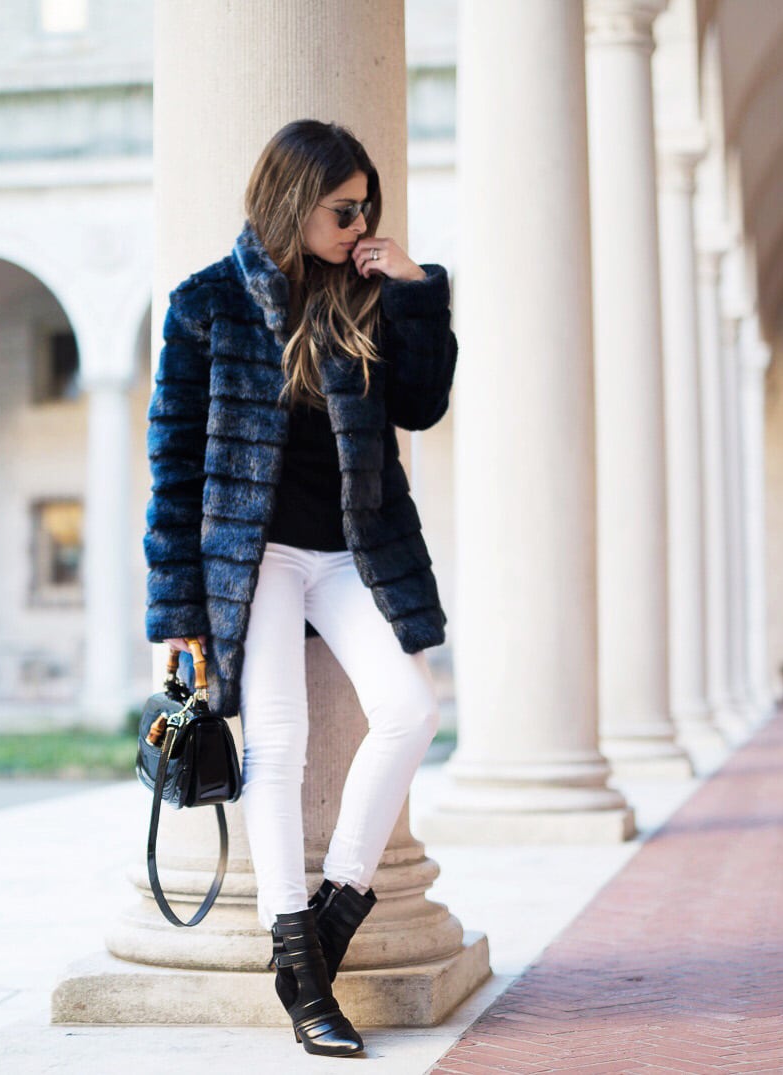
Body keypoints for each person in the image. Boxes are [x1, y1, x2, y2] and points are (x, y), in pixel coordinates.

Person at [141, 119, 458, 1058]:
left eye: (369, 207)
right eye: (344, 208)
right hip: (258, 557)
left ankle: (332, 917)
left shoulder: (363, 294)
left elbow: (423, 404)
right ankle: (296, 955)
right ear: (293, 201)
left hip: (350, 550)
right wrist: (178, 612)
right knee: (277, 742)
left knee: (410, 709)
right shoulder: (206, 305)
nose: (360, 222)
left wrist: (411, 290)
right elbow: (172, 465)